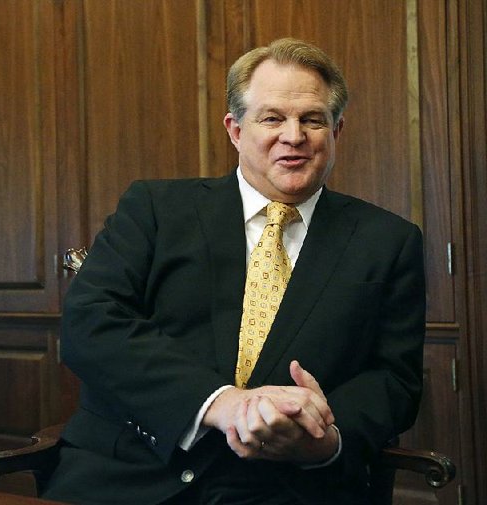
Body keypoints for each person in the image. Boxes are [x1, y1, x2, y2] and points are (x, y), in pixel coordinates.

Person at [41, 38, 425, 505]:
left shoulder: (388, 240)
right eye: (272, 118)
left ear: (337, 131)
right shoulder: (155, 209)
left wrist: (324, 438)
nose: (294, 136)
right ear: (236, 129)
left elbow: (394, 380)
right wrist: (220, 403)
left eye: (312, 119)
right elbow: (90, 324)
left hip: (290, 486)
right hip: (130, 477)